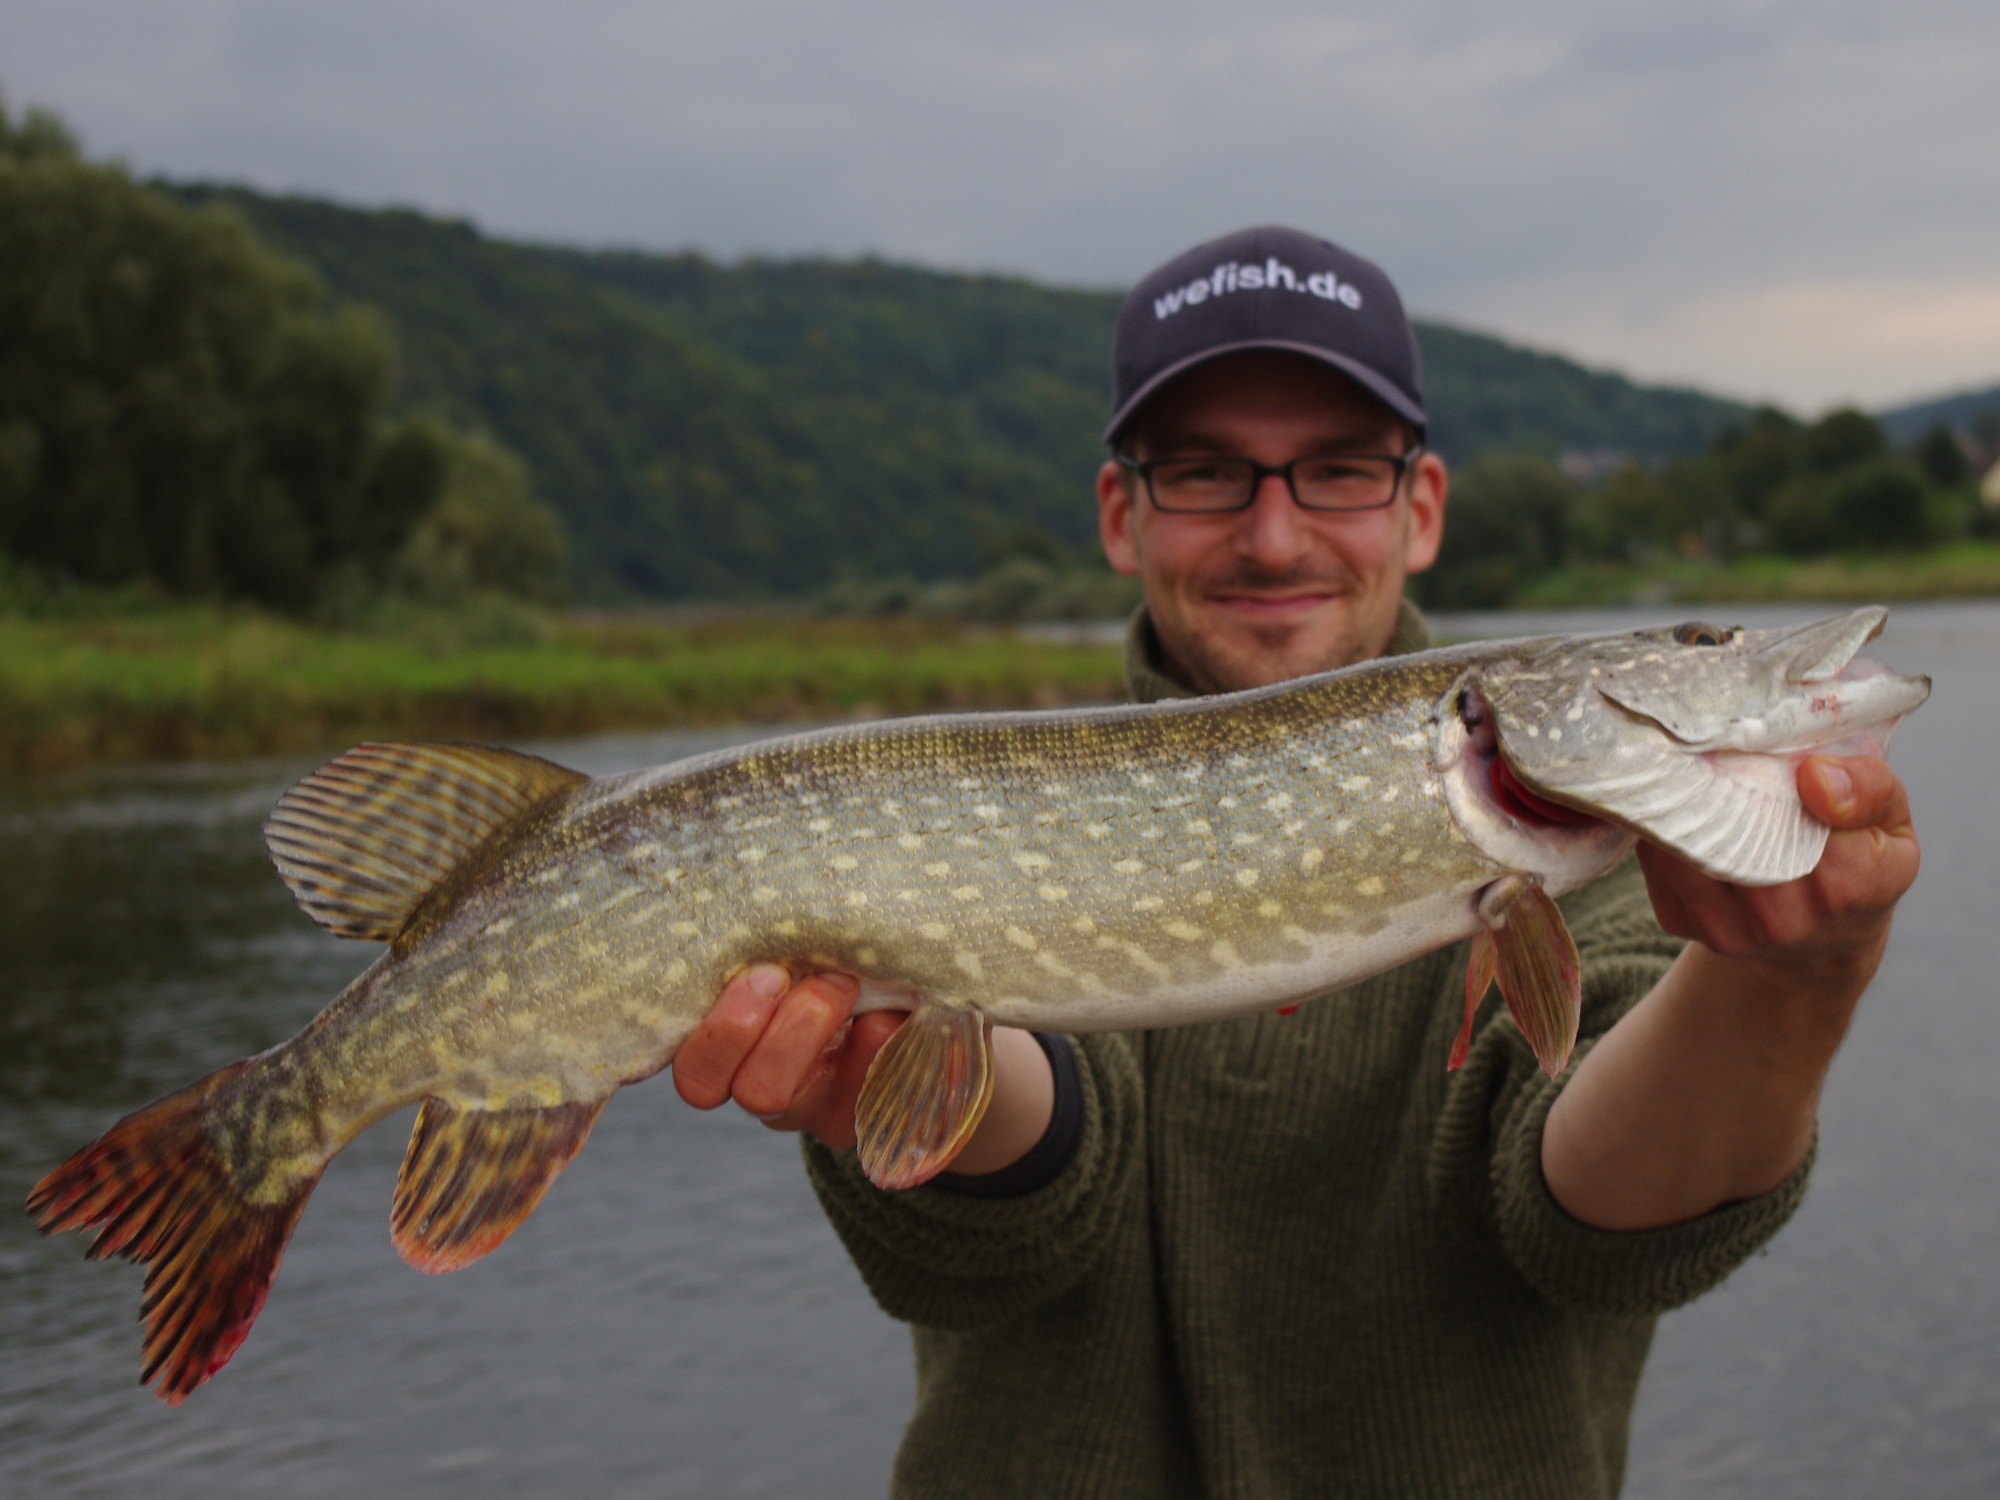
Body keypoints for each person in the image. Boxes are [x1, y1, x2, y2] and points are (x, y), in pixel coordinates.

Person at [670, 226, 1921, 1497]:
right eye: (1208, 474)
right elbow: (1006, 1230)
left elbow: (1582, 1224)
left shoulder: (1609, 850)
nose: (1273, 539)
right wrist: (913, 1074)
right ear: (1122, 515)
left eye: (1334, 473)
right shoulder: (972, 807)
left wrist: (1787, 985)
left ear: (1418, 508)